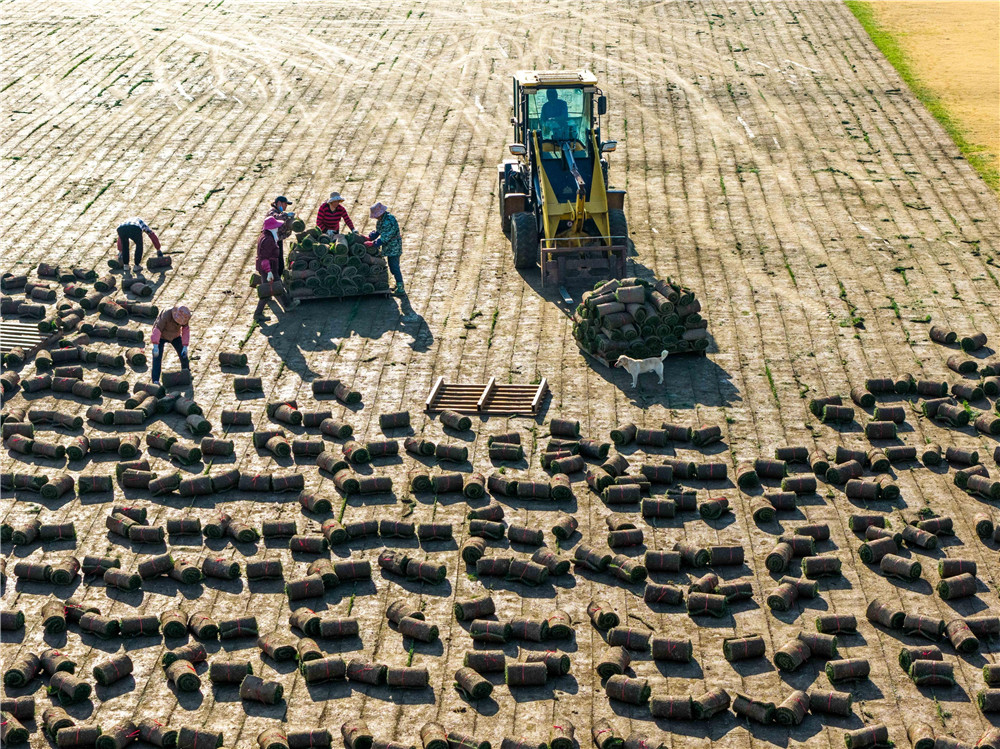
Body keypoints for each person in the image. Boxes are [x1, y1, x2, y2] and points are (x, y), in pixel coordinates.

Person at [254, 215, 298, 320]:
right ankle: (258, 314)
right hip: (268, 268)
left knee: (278, 285)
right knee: (267, 291)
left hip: (271, 267)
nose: (278, 228)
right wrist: (268, 272)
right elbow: (264, 258)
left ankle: (287, 305)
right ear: (272, 228)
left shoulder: (265, 236)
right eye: (276, 226)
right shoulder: (268, 240)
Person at [368, 202, 404, 295]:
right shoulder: (381, 220)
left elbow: (385, 237)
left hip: (394, 246)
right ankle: (398, 284)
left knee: (394, 267)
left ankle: (401, 288)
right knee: (393, 266)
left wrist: (374, 244)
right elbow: (379, 231)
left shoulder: (389, 221)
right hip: (390, 247)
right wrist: (372, 236)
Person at [150, 305, 191, 385]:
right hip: (161, 336)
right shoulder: (166, 315)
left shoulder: (184, 317)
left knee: (183, 356)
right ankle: (155, 380)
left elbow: (186, 331)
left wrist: (185, 346)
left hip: (175, 336)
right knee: (157, 357)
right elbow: (157, 329)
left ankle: (186, 373)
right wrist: (155, 346)